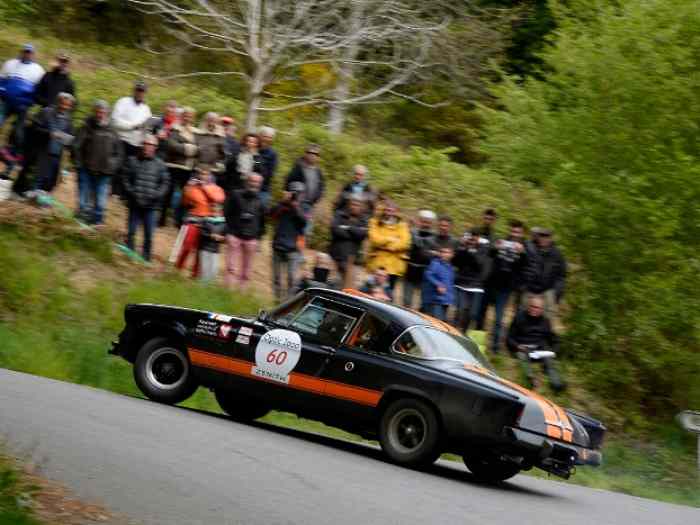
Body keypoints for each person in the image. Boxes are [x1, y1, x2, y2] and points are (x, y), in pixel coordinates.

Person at [481, 219, 528, 353]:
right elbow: (490, 254)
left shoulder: (525, 246)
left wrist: (522, 253)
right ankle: (478, 345)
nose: (514, 233)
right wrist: (495, 247)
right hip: (490, 283)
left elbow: (526, 265)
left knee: (499, 318)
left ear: (522, 233)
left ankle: (495, 348)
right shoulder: (502, 240)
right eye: (512, 230)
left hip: (505, 288)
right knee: (480, 315)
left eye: (517, 232)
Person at [74, 100, 123, 224]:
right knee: (83, 198)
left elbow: (119, 152)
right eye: (98, 112)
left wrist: (113, 166)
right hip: (86, 167)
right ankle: (81, 221)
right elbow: (76, 145)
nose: (100, 114)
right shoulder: (87, 126)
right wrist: (79, 163)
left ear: (107, 113)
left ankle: (97, 223)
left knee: (100, 202)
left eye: (103, 112)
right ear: (94, 112)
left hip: (105, 171)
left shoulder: (113, 130)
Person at [122, 135, 169, 262]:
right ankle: (128, 255)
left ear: (155, 147)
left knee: (149, 235)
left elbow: (165, 183)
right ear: (142, 145)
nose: (148, 146)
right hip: (135, 203)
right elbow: (125, 179)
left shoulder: (160, 164)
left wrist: (156, 195)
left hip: (151, 206)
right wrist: (132, 192)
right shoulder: (132, 160)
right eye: (146, 143)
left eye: (151, 144)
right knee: (131, 231)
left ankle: (146, 259)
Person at [174, 165, 226, 278]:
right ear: (198, 175)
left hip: (208, 223)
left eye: (206, 174)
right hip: (193, 220)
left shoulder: (217, 188)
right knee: (187, 246)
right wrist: (187, 188)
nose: (203, 176)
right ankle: (178, 268)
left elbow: (218, 200)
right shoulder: (193, 187)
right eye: (201, 174)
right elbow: (185, 202)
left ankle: (195, 275)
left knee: (200, 250)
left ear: (210, 176)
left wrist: (204, 188)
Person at [506, 295, 565, 391]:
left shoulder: (545, 321)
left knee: (549, 361)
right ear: (528, 306)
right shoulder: (519, 317)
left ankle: (556, 383)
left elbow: (554, 339)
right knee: (522, 357)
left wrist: (554, 351)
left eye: (537, 307)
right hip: (523, 349)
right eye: (532, 306)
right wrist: (518, 346)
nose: (534, 309)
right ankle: (530, 380)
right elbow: (509, 338)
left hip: (539, 350)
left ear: (542, 309)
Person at [0, 44, 45, 169]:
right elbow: (1, 79)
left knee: (18, 132)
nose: (27, 54)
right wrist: (2, 91)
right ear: (21, 52)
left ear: (33, 54)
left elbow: (39, 90)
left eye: (29, 52)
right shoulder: (10, 63)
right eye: (25, 52)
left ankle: (16, 156)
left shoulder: (38, 70)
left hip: (23, 106)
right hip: (6, 102)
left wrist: (30, 101)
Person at [224, 173, 266, 289]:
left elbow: (263, 221)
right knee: (231, 267)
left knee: (247, 271)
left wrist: (258, 238)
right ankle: (227, 291)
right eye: (252, 181)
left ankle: (241, 294)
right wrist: (228, 231)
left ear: (260, 184)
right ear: (247, 182)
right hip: (234, 236)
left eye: (257, 182)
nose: (254, 184)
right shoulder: (235, 195)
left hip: (251, 239)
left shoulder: (261, 201)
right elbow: (226, 213)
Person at [111, 80, 152, 195]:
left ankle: (124, 194)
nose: (140, 93)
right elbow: (115, 121)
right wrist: (133, 126)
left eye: (142, 91)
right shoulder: (123, 102)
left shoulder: (146, 109)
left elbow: (147, 128)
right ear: (134, 90)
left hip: (137, 144)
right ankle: (113, 191)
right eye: (138, 90)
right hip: (121, 140)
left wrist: (147, 138)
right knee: (118, 166)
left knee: (130, 169)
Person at [269, 182, 307, 302]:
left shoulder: (303, 208)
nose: (296, 196)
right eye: (294, 193)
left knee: (291, 278)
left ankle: (287, 303)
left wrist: (294, 206)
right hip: (278, 245)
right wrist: (282, 202)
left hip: (293, 249)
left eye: (299, 193)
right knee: (276, 278)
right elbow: (271, 214)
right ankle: (277, 301)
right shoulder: (282, 205)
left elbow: (303, 222)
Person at [32, 92, 76, 193]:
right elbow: (34, 127)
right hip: (43, 149)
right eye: (63, 104)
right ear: (58, 102)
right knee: (39, 176)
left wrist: (68, 140)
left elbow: (72, 137)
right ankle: (33, 196)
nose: (65, 107)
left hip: (57, 153)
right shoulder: (46, 112)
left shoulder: (68, 119)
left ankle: (43, 199)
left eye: (68, 105)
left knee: (51, 179)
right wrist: (49, 133)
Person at [164, 107, 198, 227]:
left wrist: (184, 148)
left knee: (185, 195)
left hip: (187, 168)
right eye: (185, 115)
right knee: (168, 192)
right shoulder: (175, 128)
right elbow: (171, 145)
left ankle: (178, 221)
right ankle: (162, 219)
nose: (187, 118)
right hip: (173, 165)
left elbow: (199, 149)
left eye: (190, 116)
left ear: (193, 118)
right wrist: (188, 148)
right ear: (182, 116)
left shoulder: (196, 132)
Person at [366, 202, 411, 294]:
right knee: (372, 291)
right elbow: (374, 239)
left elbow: (405, 243)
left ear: (396, 212)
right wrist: (390, 239)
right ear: (383, 211)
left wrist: (390, 247)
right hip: (377, 263)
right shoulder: (375, 222)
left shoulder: (402, 225)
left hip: (394, 266)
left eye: (392, 210)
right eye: (387, 210)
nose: (389, 212)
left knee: (388, 293)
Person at [452, 228, 491, 332]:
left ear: (478, 238)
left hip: (476, 286)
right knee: (460, 310)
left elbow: (479, 264)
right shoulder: (463, 247)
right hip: (462, 283)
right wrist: (463, 248)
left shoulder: (484, 248)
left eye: (475, 238)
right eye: (471, 238)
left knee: (472, 313)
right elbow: (455, 262)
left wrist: (473, 250)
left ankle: (463, 332)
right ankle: (454, 331)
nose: (472, 240)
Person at [523, 229, 567, 320]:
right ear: (538, 237)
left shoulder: (557, 254)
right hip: (530, 291)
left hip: (547, 293)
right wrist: (523, 286)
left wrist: (555, 293)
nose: (544, 239)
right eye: (541, 236)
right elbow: (522, 267)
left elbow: (562, 276)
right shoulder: (531, 250)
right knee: (523, 319)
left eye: (546, 237)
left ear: (551, 238)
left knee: (546, 321)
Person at [329, 196, 369, 285]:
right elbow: (334, 229)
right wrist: (353, 234)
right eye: (353, 204)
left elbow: (362, 234)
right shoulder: (339, 214)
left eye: (357, 205)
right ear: (349, 205)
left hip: (352, 259)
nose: (354, 207)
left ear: (361, 207)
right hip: (336, 255)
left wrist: (348, 228)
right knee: (332, 284)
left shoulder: (364, 220)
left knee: (347, 286)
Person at [285, 144, 325, 231]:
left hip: (309, 206)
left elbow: (321, 188)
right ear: (305, 154)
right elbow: (288, 181)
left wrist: (316, 199)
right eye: (310, 152)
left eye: (315, 154)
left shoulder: (318, 172)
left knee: (305, 231)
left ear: (318, 157)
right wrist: (288, 194)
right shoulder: (298, 167)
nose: (312, 155)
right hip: (296, 204)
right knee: (292, 228)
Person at [403, 210, 437, 309]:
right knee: (407, 300)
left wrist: (412, 230)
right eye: (423, 221)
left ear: (431, 223)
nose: (425, 224)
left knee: (424, 302)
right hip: (410, 270)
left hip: (425, 272)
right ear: (420, 221)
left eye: (428, 221)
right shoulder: (413, 231)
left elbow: (419, 244)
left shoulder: (434, 236)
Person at [422, 246, 455, 321]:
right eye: (442, 252)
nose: (444, 254)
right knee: (436, 321)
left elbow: (450, 284)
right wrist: (438, 284)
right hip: (435, 299)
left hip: (445, 299)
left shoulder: (450, 267)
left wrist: (450, 298)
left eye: (447, 252)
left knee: (441, 321)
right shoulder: (435, 263)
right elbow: (428, 274)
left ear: (452, 255)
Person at [196, 112, 226, 180]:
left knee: (210, 189)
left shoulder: (221, 135)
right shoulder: (198, 132)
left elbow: (224, 153)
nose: (211, 122)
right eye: (209, 120)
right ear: (205, 120)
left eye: (213, 120)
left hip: (213, 168)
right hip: (198, 167)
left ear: (217, 122)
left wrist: (221, 163)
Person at [258, 126, 278, 208]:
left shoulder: (273, 154)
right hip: (246, 185)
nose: (267, 139)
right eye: (265, 136)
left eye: (270, 137)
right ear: (260, 136)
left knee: (261, 209)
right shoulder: (254, 148)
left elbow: (270, 173)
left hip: (263, 188)